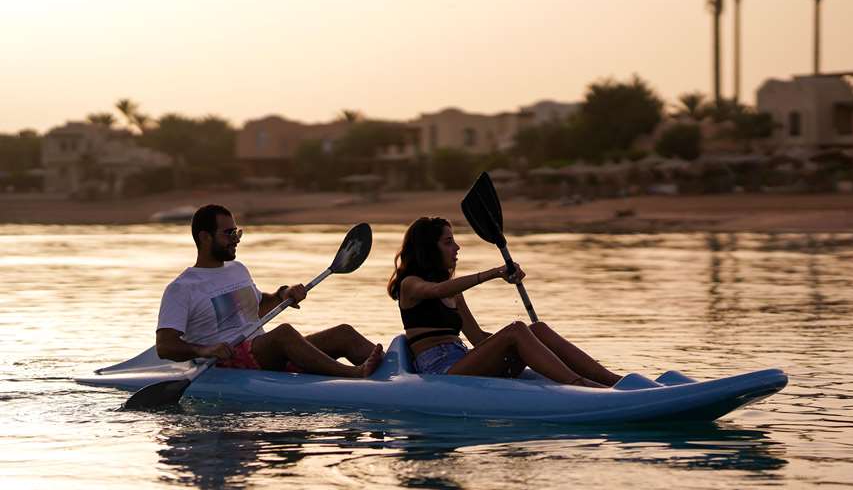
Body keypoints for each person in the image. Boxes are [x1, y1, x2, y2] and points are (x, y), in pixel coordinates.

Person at [386, 216, 622, 388]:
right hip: (439, 373)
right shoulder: (410, 285)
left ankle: (612, 380)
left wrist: (530, 341)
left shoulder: (455, 293)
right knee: (516, 330)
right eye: (448, 242)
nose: (457, 248)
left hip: (463, 361)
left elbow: (477, 338)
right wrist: (493, 273)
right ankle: (582, 386)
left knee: (535, 329)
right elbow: (436, 290)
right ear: (429, 248)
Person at [156, 204, 383, 377]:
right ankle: (353, 375)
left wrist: (283, 294)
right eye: (229, 234)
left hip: (265, 354)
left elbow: (257, 306)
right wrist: (205, 350)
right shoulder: (181, 288)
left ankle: (403, 370)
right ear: (205, 237)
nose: (236, 240)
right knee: (283, 333)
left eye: (237, 233)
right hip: (226, 362)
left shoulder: (237, 269)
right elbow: (165, 346)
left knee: (343, 333)